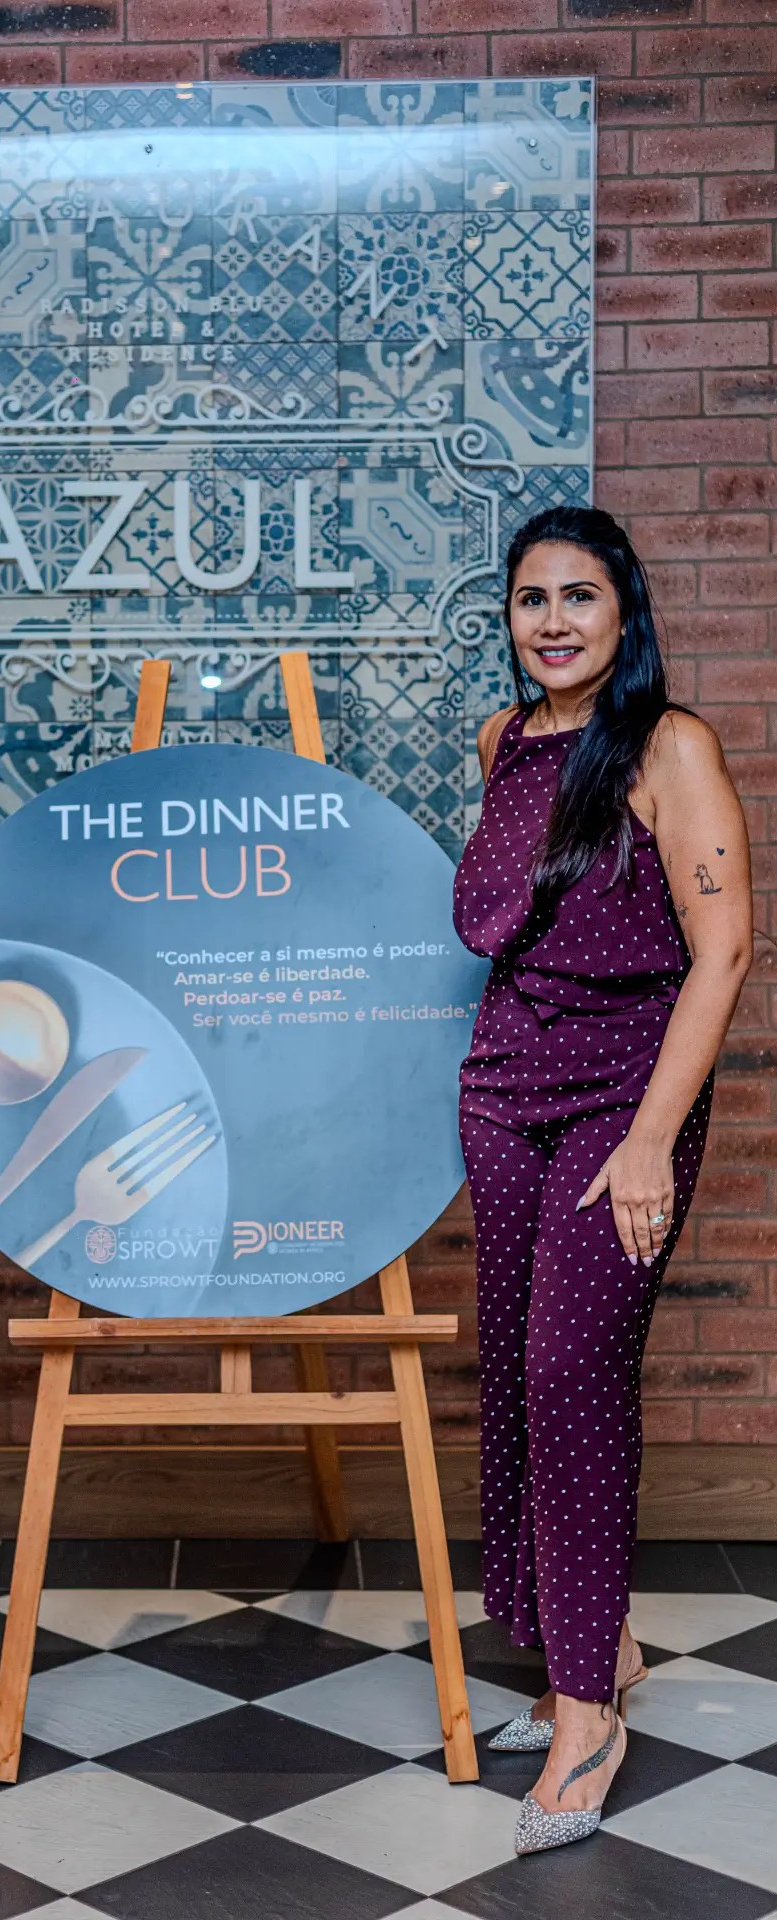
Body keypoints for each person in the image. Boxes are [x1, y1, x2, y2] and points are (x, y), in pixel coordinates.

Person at [452, 505, 751, 1854]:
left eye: (579, 595)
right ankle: (592, 1647)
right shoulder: (503, 742)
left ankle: (588, 1719)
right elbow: (519, 931)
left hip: (623, 1102)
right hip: (502, 1094)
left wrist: (646, 1137)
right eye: (533, 599)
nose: (554, 621)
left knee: (574, 1375)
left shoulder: (668, 746)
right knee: (519, 1377)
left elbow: (722, 950)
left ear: (622, 612)